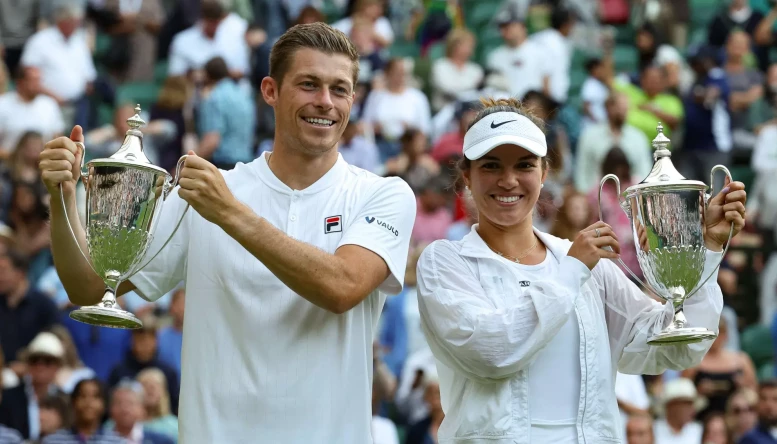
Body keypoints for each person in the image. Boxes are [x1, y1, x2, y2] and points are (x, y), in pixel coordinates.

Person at [39, 22, 417, 444]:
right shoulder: (207, 193)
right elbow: (89, 286)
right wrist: (62, 197)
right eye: (309, 84)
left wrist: (230, 213)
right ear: (270, 91)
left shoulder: (384, 194)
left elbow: (341, 287)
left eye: (340, 89)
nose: (325, 102)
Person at [415, 97, 747, 443]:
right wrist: (573, 270)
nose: (509, 180)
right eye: (491, 166)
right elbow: (492, 354)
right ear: (466, 176)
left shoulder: (583, 264)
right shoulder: (445, 262)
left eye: (525, 166)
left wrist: (705, 250)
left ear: (545, 174)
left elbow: (671, 347)